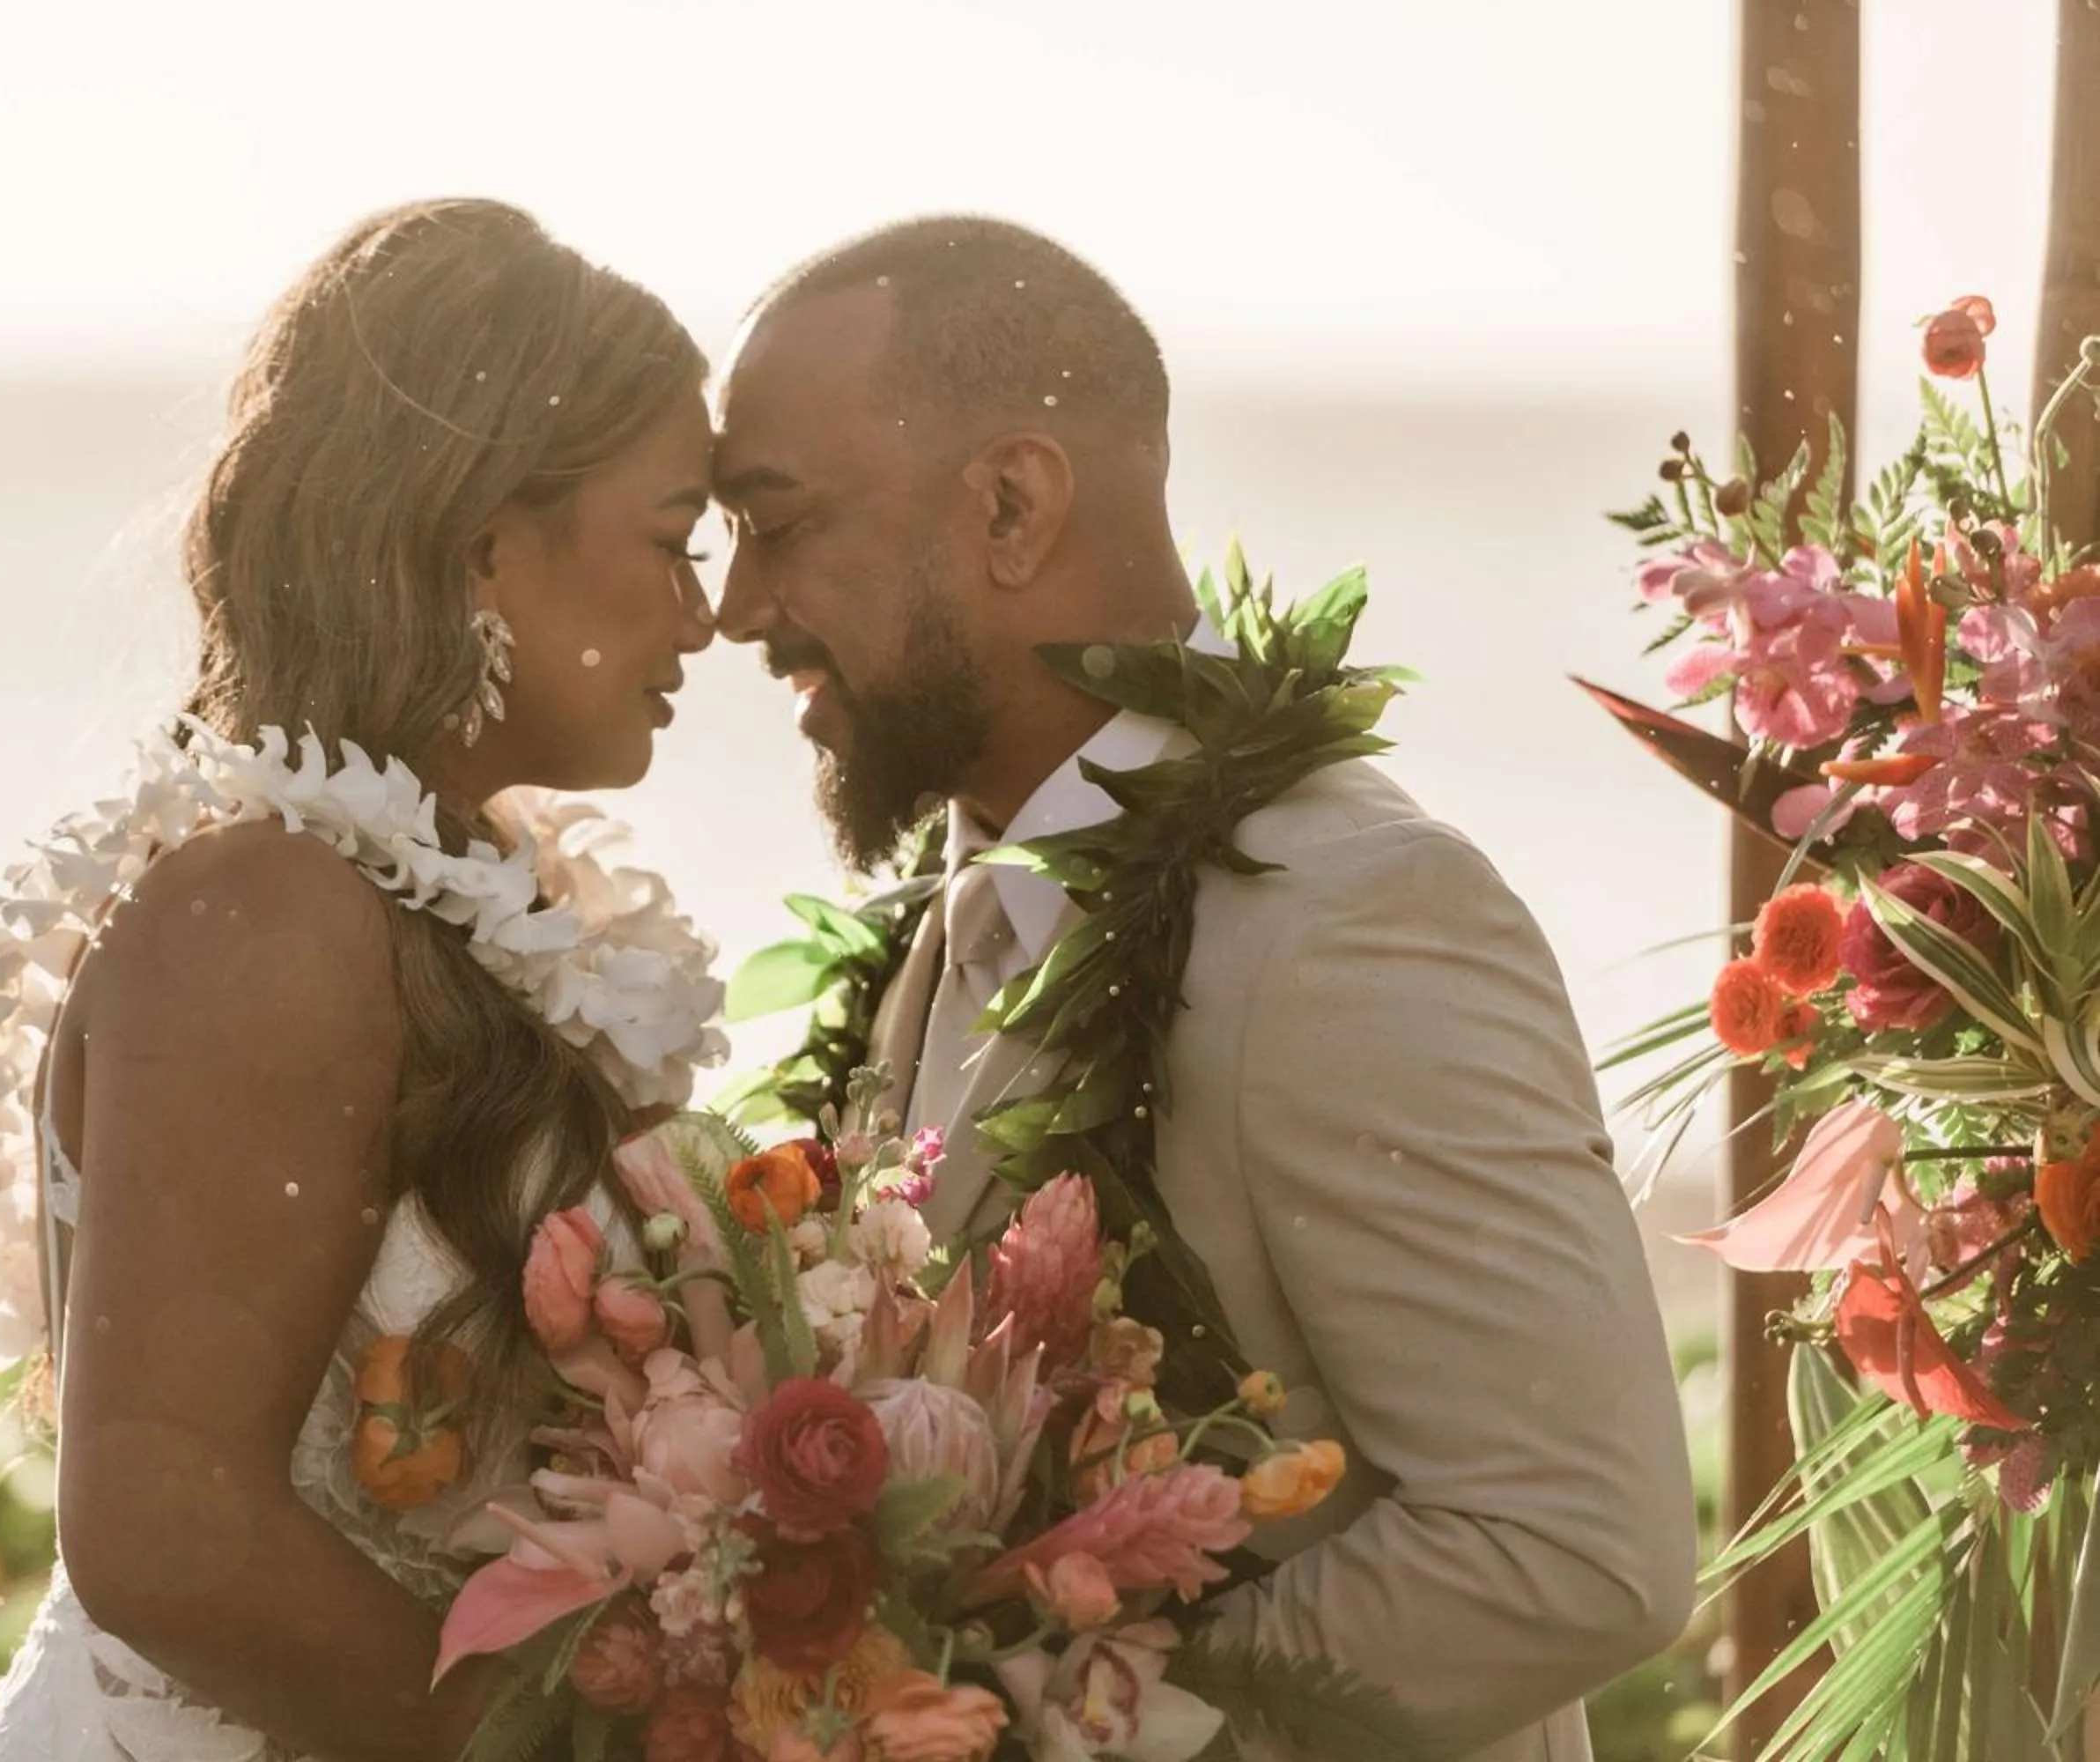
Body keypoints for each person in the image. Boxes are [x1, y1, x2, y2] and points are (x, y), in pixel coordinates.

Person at [710, 214, 1698, 1761]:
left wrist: (1054, 1724)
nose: (736, 609)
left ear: (1014, 505)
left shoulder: (1348, 918)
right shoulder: (968, 899)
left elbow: (1569, 1552)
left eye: (776, 523)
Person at [0, 197, 727, 1762]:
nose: (705, 614)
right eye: (674, 538)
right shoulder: (271, 911)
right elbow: (162, 1529)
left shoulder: (463, 910)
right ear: (487, 538)